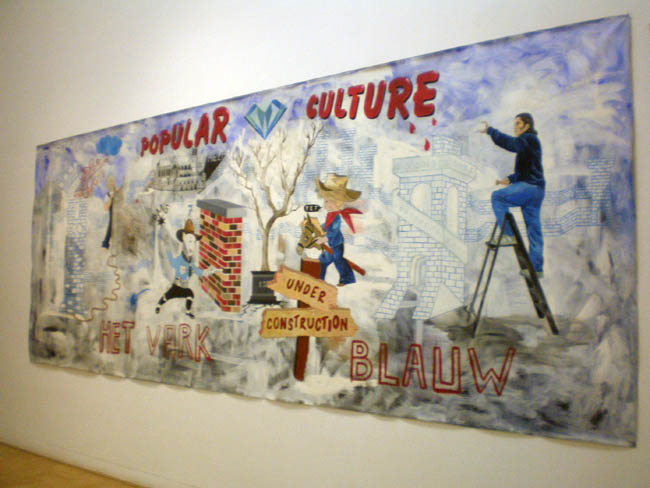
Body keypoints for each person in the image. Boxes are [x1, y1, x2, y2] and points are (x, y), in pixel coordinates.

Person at [480, 113, 545, 278]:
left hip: (529, 188)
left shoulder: (527, 138)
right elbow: (526, 171)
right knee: (534, 230)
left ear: (527, 125)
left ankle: (508, 235)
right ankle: (536, 269)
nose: (515, 127)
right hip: (537, 189)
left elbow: (511, 144)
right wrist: (509, 179)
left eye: (518, 123)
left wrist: (491, 131)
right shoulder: (530, 143)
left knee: (497, 197)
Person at [314, 174, 362, 286]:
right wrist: (319, 227)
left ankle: (347, 279)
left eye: (327, 201)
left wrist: (324, 239)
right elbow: (326, 225)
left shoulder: (336, 217)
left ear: (336, 202)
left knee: (338, 260)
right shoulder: (330, 215)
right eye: (325, 201)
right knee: (324, 260)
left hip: (337, 244)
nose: (325, 205)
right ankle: (320, 279)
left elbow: (334, 231)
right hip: (331, 244)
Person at [155, 219, 205, 318]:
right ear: (183, 237)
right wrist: (163, 226)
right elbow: (168, 243)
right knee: (166, 296)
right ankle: (158, 306)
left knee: (190, 294)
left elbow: (195, 269)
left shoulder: (192, 257)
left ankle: (188, 311)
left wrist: (204, 272)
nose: (191, 244)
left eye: (193, 241)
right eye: (189, 240)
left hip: (184, 287)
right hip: (176, 286)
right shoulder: (179, 253)